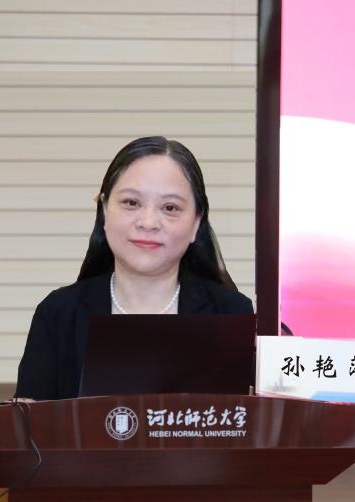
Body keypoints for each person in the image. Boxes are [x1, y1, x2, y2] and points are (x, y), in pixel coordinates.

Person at [14, 136, 253, 400]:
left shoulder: (230, 313)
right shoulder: (59, 314)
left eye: (170, 207)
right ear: (104, 210)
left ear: (197, 222)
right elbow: (28, 421)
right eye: (131, 203)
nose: (148, 222)